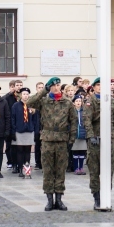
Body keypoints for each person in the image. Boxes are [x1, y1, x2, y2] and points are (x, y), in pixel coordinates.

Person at [27, 77, 77, 211]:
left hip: (62, 140)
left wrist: (71, 140)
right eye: (53, 86)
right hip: (48, 139)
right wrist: (44, 90)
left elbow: (73, 121)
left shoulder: (67, 102)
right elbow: (29, 102)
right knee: (48, 170)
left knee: (60, 170)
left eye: (58, 85)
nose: (56, 88)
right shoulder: (44, 101)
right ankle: (49, 200)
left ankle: (59, 199)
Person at [83, 77, 114, 210]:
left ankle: (107, 195)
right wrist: (91, 136)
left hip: (109, 138)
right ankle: (97, 197)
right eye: (98, 85)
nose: (100, 87)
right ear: (93, 87)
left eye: (102, 85)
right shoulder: (90, 101)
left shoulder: (110, 101)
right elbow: (86, 120)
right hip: (96, 138)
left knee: (109, 168)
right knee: (94, 169)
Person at [11, 87, 37, 178]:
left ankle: (27, 168)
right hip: (19, 130)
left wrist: (35, 129)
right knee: (20, 150)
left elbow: (35, 119)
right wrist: (13, 131)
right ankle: (20, 169)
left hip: (29, 130)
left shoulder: (32, 106)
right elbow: (13, 119)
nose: (26, 96)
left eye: (27, 94)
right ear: (21, 95)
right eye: (24, 94)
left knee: (28, 150)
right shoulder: (16, 105)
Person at [71, 95, 87, 175]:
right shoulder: (72, 111)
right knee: (75, 152)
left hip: (83, 134)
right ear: (73, 103)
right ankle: (76, 168)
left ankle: (81, 167)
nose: (78, 102)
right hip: (74, 135)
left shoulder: (84, 111)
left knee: (82, 152)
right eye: (76, 101)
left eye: (80, 101)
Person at [34, 82, 44, 170]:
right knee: (37, 145)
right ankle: (37, 162)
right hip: (36, 126)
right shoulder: (34, 99)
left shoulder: (46, 99)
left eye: (42, 87)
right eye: (39, 87)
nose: (41, 89)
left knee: (45, 146)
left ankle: (43, 162)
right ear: (36, 89)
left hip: (45, 127)